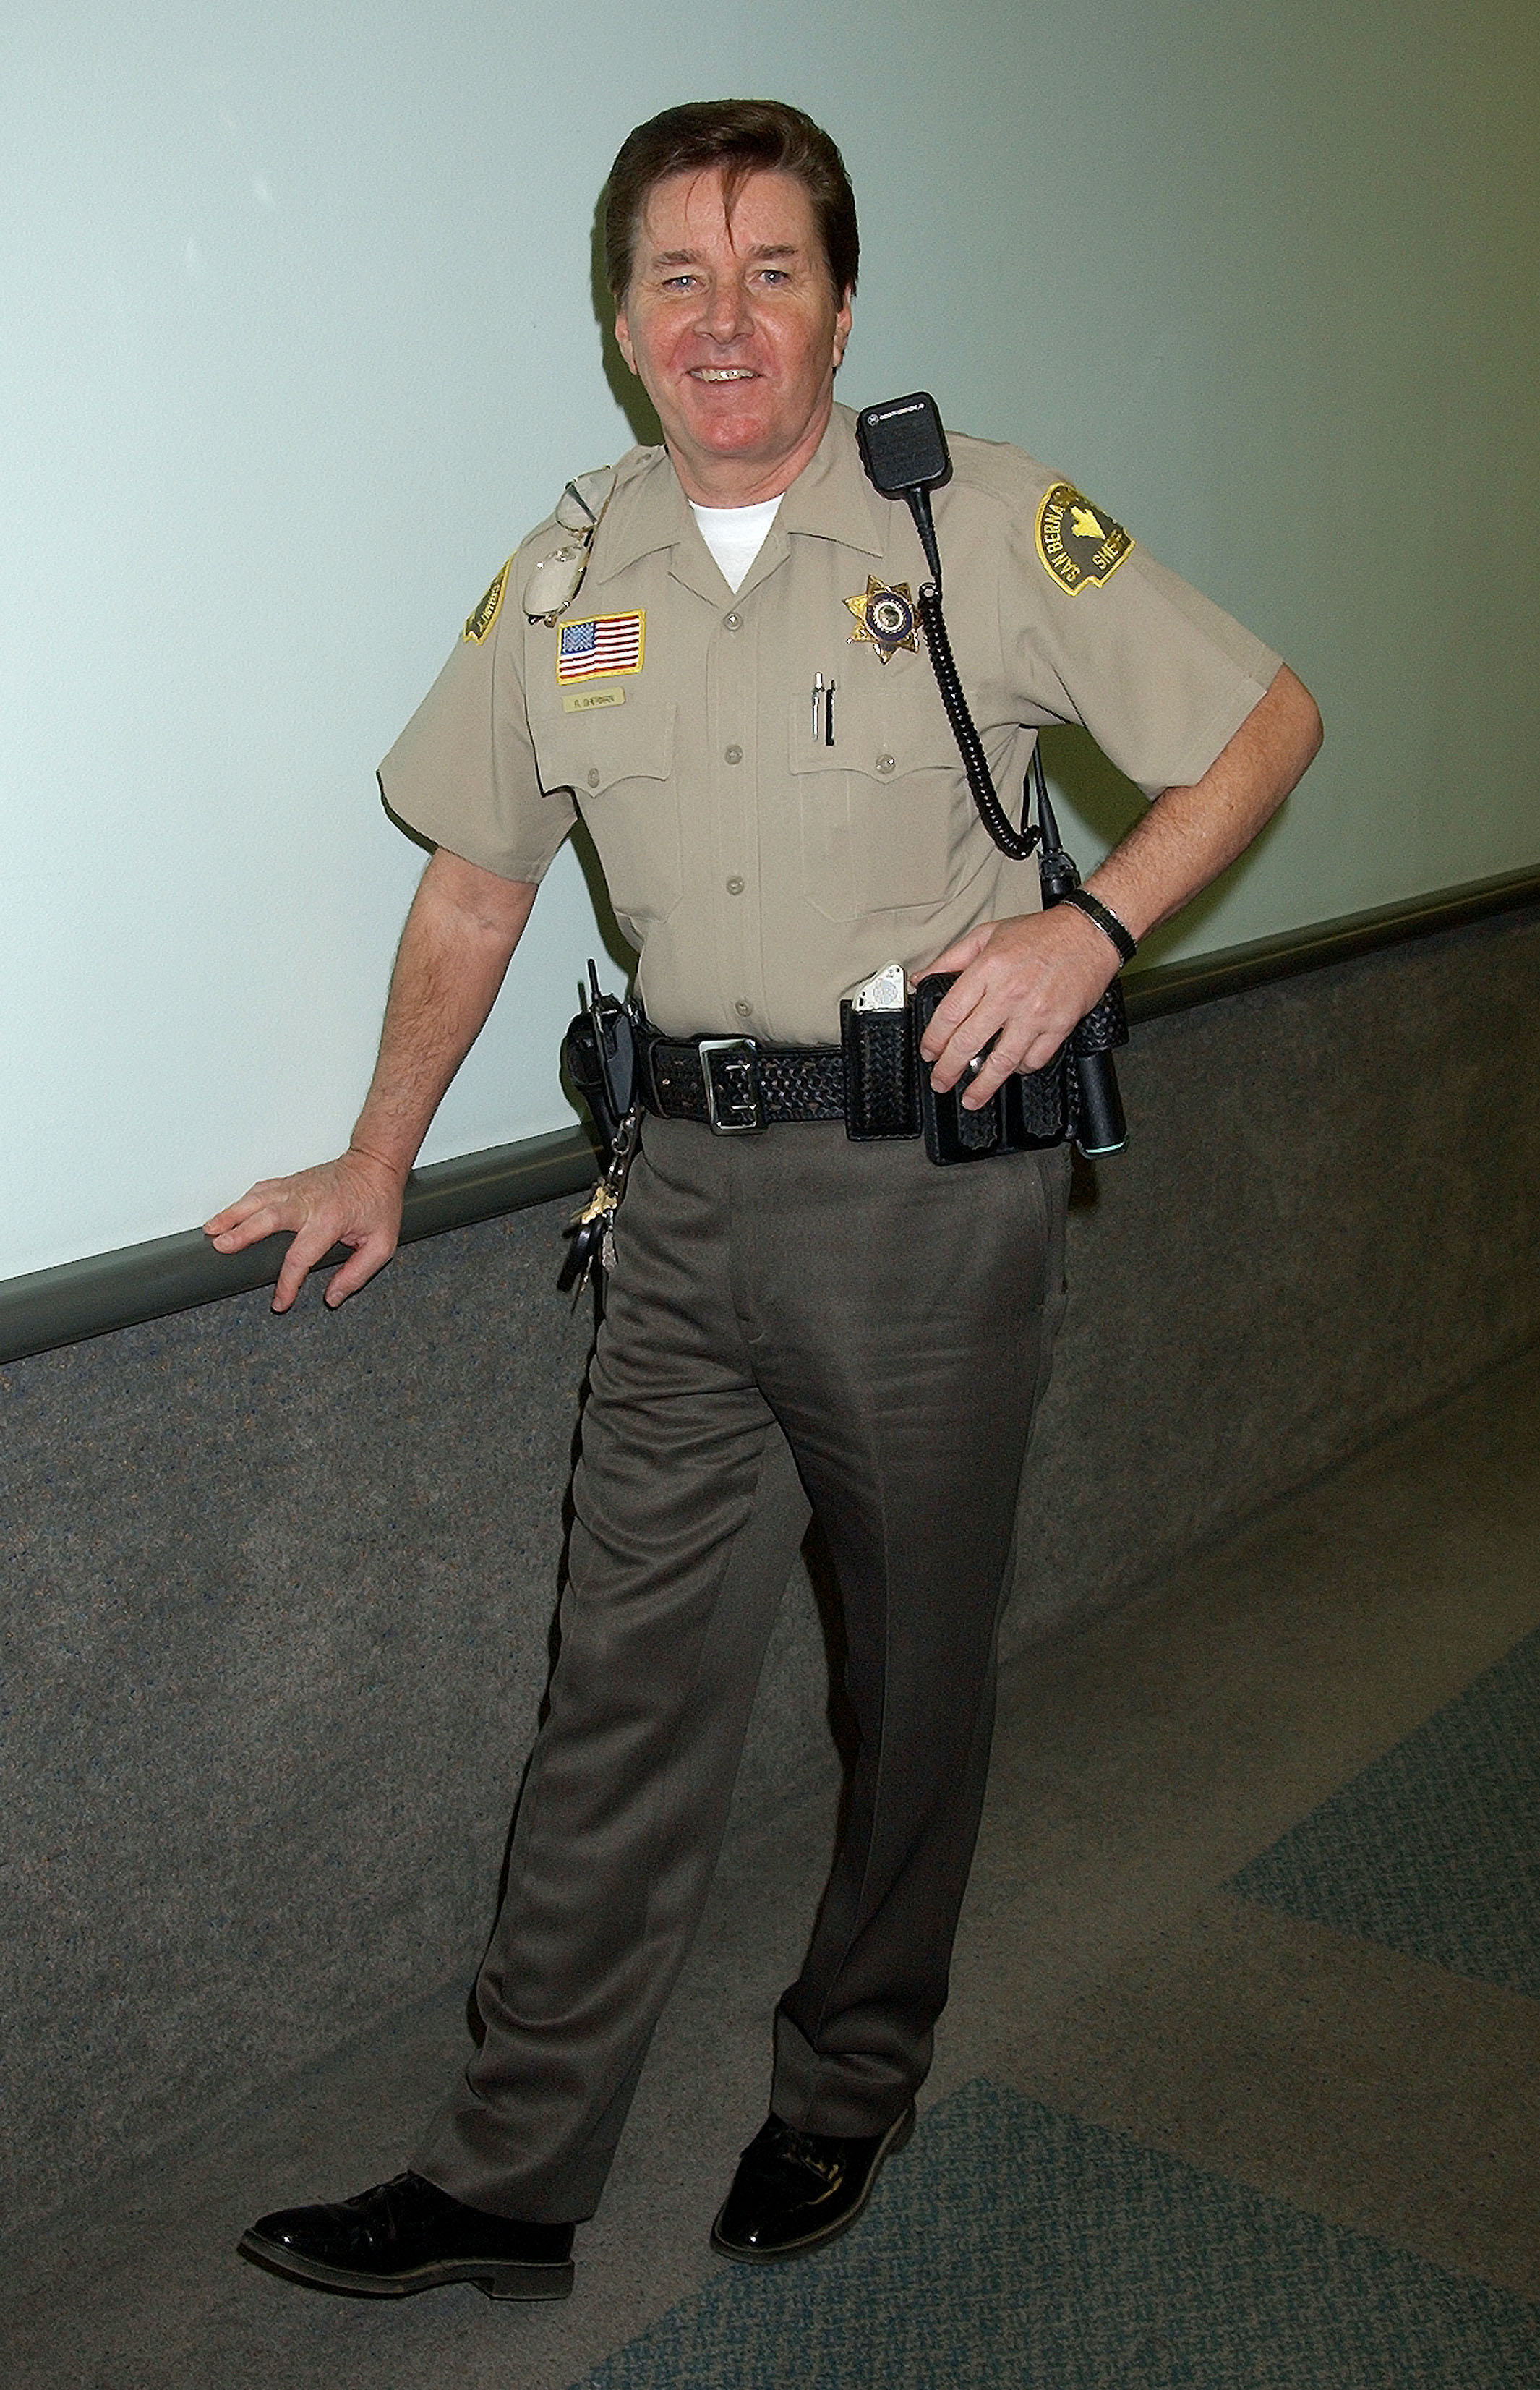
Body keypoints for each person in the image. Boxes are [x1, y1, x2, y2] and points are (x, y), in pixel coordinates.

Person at [209, 100, 1322, 2305]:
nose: (722, 324)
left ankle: (847, 2082)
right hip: (681, 1198)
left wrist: (1092, 932)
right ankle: (509, 2172)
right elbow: (476, 874)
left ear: (836, 300)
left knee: (905, 1678)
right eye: (676, 279)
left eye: (770, 272)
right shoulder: (563, 573)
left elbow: (1264, 719)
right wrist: (375, 1149)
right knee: (615, 1678)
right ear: (621, 322)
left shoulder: (975, 516)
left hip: (923, 1193)